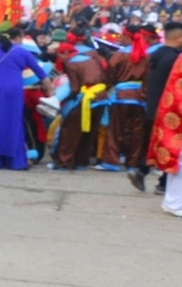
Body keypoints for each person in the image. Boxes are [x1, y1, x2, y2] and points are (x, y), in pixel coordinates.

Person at [0, 28, 49, 170]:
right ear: (18, 37)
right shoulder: (22, 52)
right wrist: (50, 90)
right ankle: (15, 162)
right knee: (14, 124)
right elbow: (41, 72)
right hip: (14, 92)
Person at [136, 21, 182, 193]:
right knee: (170, 146)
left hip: (151, 104)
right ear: (179, 38)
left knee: (158, 144)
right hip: (168, 108)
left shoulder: (154, 54)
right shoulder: (175, 59)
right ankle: (158, 180)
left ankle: (146, 172)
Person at [100, 24, 152, 174]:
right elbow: (149, 78)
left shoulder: (119, 55)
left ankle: (111, 161)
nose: (120, 38)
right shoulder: (146, 55)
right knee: (137, 132)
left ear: (128, 36)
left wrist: (108, 85)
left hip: (120, 96)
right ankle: (133, 163)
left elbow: (109, 73)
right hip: (139, 98)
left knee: (116, 130)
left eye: (122, 35)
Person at [51, 40, 108, 170]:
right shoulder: (91, 59)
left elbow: (75, 88)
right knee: (89, 132)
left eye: (60, 55)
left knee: (70, 131)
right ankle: (81, 162)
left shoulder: (71, 64)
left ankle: (65, 162)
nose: (59, 58)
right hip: (101, 97)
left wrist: (61, 97)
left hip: (86, 98)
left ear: (66, 53)